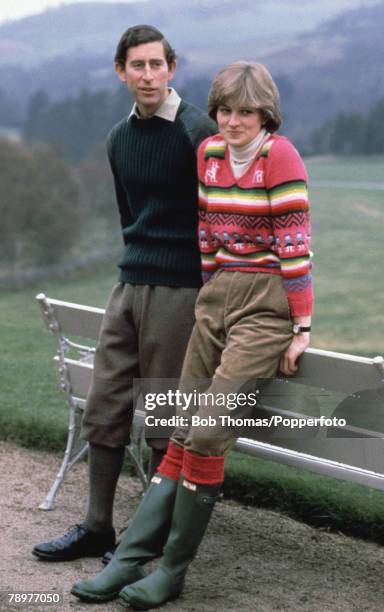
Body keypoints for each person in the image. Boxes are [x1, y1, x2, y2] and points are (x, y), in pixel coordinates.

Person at [70, 61, 313, 607]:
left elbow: (294, 247)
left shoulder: (281, 156)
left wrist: (300, 326)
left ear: (265, 113)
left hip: (266, 302)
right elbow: (206, 229)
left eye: (245, 112)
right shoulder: (209, 155)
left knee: (205, 433)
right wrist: (210, 292)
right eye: (225, 110)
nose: (231, 122)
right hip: (217, 294)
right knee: (181, 425)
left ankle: (171, 571)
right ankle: (131, 559)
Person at [32, 24, 216, 563]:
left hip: (181, 291)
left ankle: (148, 539)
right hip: (129, 283)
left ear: (171, 68)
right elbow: (130, 216)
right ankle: (97, 528)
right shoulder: (118, 138)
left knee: (162, 414)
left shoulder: (196, 130)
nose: (148, 74)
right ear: (121, 72)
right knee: (105, 403)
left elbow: (215, 217)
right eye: (137, 65)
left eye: (156, 64)